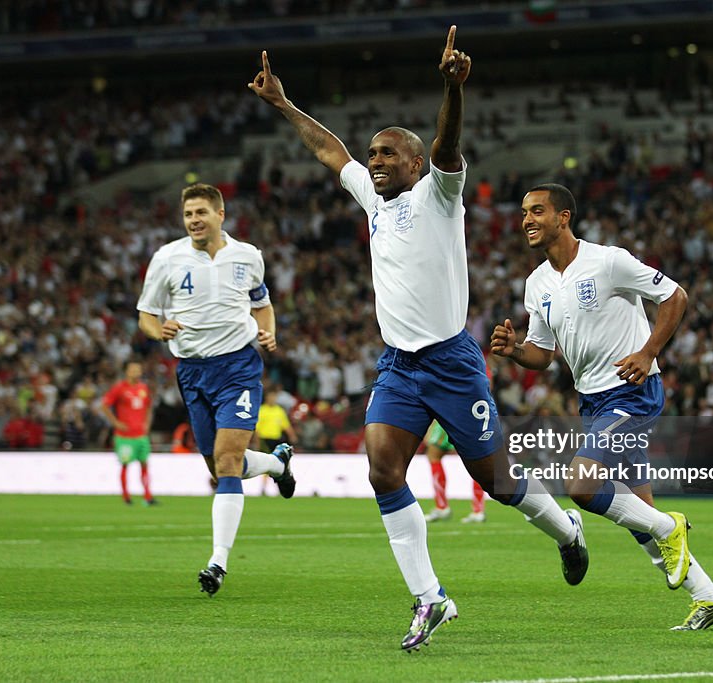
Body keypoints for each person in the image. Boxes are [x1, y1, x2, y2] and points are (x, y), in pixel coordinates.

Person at [251, 26, 587, 651]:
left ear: (414, 162)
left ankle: (567, 531)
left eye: (385, 154)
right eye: (372, 155)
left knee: (497, 480)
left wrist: (451, 89)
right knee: (382, 471)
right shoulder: (374, 205)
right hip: (398, 366)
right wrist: (282, 103)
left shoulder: (440, 193)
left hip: (452, 360)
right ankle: (431, 597)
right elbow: (330, 150)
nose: (373, 162)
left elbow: (447, 142)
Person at [491, 183, 713, 631]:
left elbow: (675, 296)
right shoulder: (537, 284)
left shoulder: (608, 260)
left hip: (632, 392)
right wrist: (515, 350)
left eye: (537, 211)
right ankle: (709, 597)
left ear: (563, 217)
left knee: (582, 486)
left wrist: (647, 352)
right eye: (524, 212)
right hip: (593, 401)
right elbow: (542, 356)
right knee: (638, 510)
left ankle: (669, 526)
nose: (527, 220)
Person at [137, 183, 297, 596]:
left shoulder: (247, 256)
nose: (193, 220)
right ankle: (278, 465)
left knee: (227, 462)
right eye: (188, 214)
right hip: (191, 371)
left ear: (220, 214)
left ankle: (218, 562)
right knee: (220, 466)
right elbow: (146, 316)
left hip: (238, 367)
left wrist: (268, 333)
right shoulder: (166, 258)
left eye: (201, 212)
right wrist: (160, 331)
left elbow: (261, 304)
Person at [98, 360, 157, 506]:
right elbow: (104, 405)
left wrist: (147, 423)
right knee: (125, 464)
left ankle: (148, 496)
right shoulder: (119, 388)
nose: (137, 372)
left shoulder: (143, 388)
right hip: (125, 436)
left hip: (141, 435)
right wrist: (116, 423)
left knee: (144, 464)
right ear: (127, 372)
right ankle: (126, 496)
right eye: (133, 369)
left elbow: (149, 406)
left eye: (138, 369)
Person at [423, 420, 486, 524]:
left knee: (434, 455)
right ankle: (478, 511)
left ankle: (442, 507)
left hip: (447, 416)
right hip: (472, 417)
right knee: (477, 458)